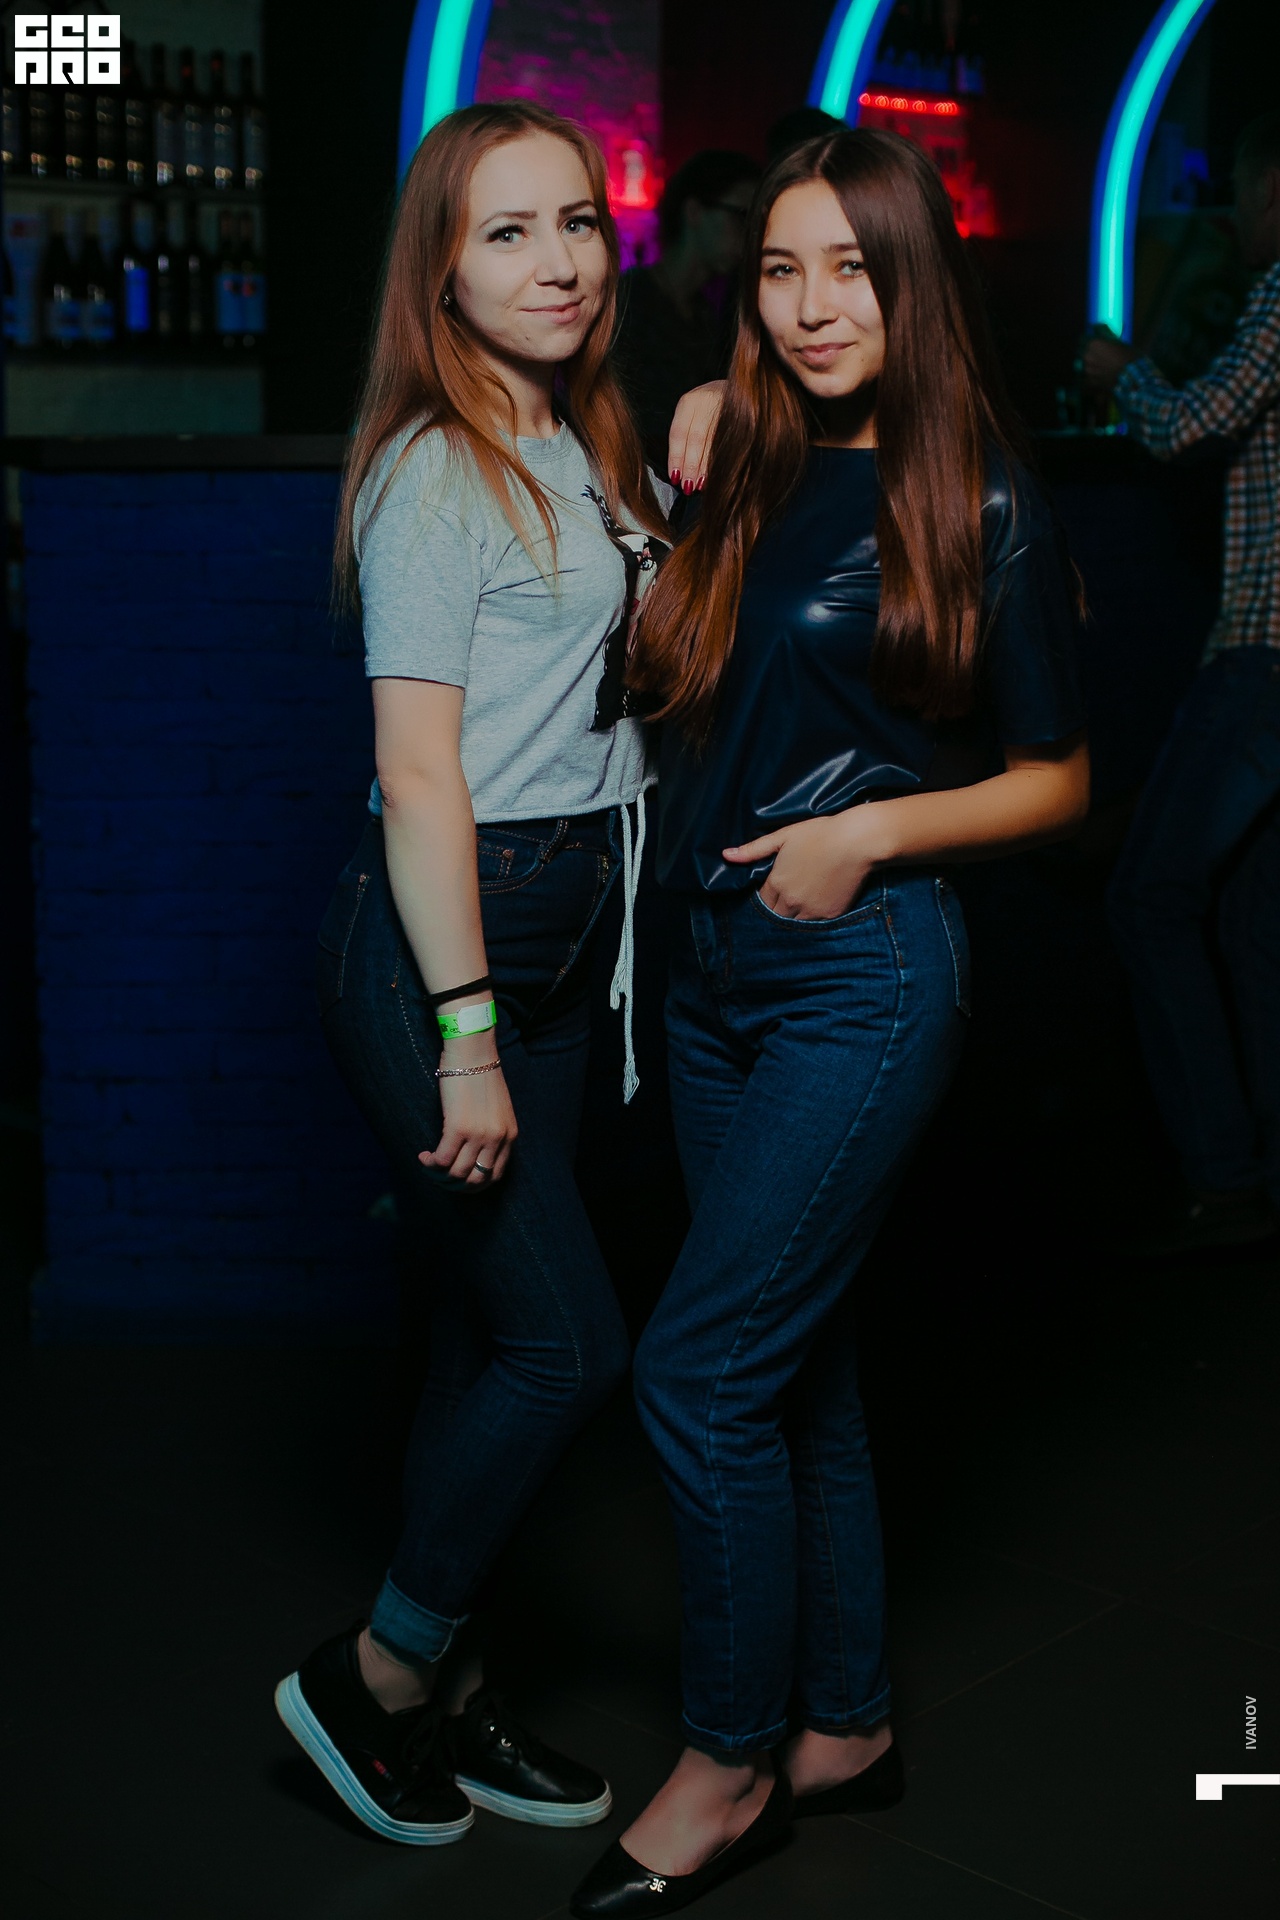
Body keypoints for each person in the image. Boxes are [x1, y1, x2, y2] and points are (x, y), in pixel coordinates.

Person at [570, 127, 1090, 1916]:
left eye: (849, 270)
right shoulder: (748, 458)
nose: (810, 307)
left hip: (862, 973)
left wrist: (871, 831)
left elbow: (1056, 780)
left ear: (910, 280)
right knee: (801, 1370)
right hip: (711, 977)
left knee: (700, 1371)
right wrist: (709, 414)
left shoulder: (981, 497)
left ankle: (728, 1763)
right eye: (779, 272)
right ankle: (846, 1724)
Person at [274, 102, 673, 1848]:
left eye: (577, 221)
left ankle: (455, 1682)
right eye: (507, 232)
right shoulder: (439, 468)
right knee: (571, 1344)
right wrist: (465, 1040)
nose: (558, 260)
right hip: (452, 949)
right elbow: (420, 776)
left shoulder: (582, 439)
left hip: (569, 929)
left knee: (485, 1333)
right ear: (439, 271)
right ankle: (376, 1671)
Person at [1085, 109, 1280, 1257]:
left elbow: (1183, 427)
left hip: (1262, 654)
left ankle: (1219, 1176)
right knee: (1252, 921)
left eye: (1243, 196)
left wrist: (1122, 374)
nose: (1237, 219)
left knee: (1146, 897)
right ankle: (1251, 1174)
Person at [613, 149, 760, 472]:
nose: (750, 233)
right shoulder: (625, 300)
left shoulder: (708, 313)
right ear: (694, 212)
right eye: (741, 215)